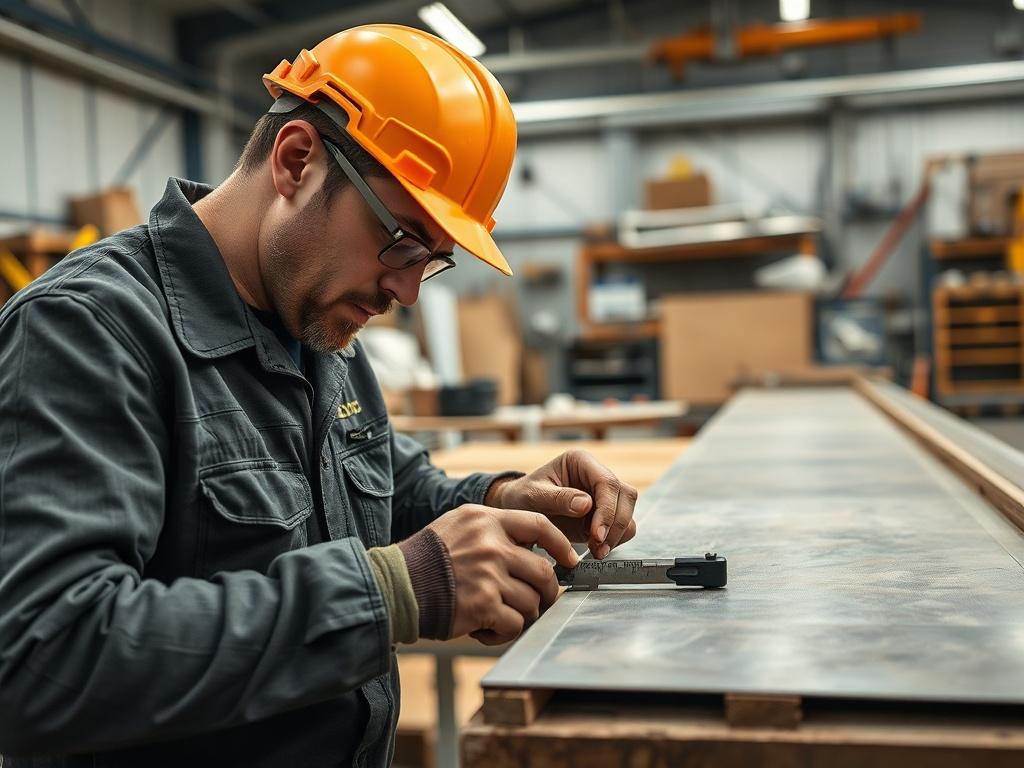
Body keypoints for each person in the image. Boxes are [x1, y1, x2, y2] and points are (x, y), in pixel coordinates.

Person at [0, 24, 637, 767]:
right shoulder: (88, 332)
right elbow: (40, 657)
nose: (404, 288)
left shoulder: (315, 324)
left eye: (430, 262)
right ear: (296, 160)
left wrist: (503, 499)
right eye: (400, 239)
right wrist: (393, 592)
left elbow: (379, 490)